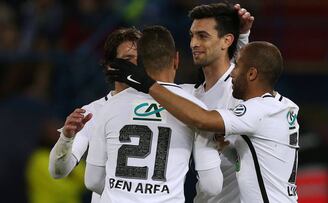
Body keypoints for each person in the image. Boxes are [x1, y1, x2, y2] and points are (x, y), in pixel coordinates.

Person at [108, 41, 300, 203]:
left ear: (251, 74)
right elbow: (262, 161)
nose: (232, 73)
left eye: (238, 66)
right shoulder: (284, 107)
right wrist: (227, 149)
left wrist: (146, 83)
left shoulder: (258, 111)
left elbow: (200, 119)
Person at [85, 25, 223, 203]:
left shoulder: (109, 106)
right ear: (176, 59)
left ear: (139, 63)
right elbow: (212, 186)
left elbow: (93, 180)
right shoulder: (196, 111)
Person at [48, 27, 142, 203]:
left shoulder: (163, 106)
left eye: (140, 59)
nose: (136, 65)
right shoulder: (93, 111)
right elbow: (58, 171)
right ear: (110, 65)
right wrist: (66, 138)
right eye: (128, 59)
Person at [185, 3, 254, 202]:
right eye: (192, 35)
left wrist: (243, 37)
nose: (193, 43)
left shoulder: (242, 90)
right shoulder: (191, 95)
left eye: (203, 36)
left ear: (226, 41)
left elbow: (250, 70)